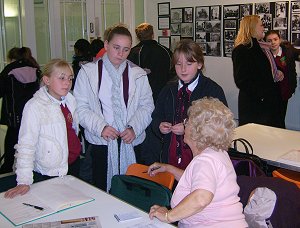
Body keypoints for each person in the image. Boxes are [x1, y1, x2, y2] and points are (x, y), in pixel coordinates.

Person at [73, 25, 154, 191]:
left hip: (131, 141)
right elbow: (81, 107)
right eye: (116, 47)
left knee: (131, 189)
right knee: (101, 188)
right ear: (106, 45)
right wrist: (101, 127)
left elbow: (147, 106)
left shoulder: (138, 74)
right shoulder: (88, 73)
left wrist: (134, 128)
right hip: (101, 142)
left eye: (126, 49)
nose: (120, 54)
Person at [148, 97, 247, 227]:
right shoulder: (218, 153)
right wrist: (168, 168)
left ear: (198, 130)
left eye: (187, 121)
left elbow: (201, 198)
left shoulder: (204, 161)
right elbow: (198, 181)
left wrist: (168, 216)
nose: (185, 124)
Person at [4, 59, 81, 198]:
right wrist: (24, 180)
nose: (67, 83)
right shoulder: (35, 106)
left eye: (70, 79)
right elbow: (26, 145)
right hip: (49, 171)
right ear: (47, 80)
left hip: (72, 164)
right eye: (62, 78)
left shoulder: (70, 100)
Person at [150, 39, 227, 169]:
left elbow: (221, 129)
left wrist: (188, 128)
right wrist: (159, 126)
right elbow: (156, 117)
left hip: (200, 163)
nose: (183, 69)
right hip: (169, 159)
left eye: (189, 63)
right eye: (178, 64)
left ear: (200, 64)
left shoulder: (212, 91)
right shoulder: (168, 90)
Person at [232, 15, 283, 128]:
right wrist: (262, 95)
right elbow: (241, 80)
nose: (263, 28)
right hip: (255, 104)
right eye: (261, 25)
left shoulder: (262, 47)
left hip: (268, 101)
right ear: (252, 28)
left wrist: (277, 72)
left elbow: (265, 70)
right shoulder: (241, 50)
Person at [0, 47, 40, 174]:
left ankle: (7, 167)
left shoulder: (9, 71)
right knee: (32, 139)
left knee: (11, 140)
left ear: (12, 58)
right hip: (33, 112)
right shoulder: (35, 68)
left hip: (14, 114)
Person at [128, 22, 173, 102]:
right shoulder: (166, 51)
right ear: (152, 34)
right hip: (164, 95)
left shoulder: (133, 53)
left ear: (138, 37)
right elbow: (173, 73)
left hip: (141, 98)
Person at [265, 30, 300, 128]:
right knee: (272, 120)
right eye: (269, 40)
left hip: (285, 91)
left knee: (281, 117)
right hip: (270, 93)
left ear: (279, 40)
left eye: (275, 39)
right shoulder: (265, 55)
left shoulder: (288, 51)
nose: (273, 42)